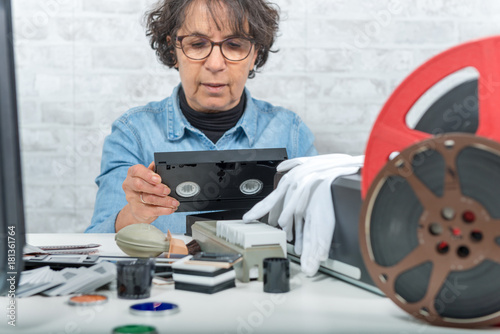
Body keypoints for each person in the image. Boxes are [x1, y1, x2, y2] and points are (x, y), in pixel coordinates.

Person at [86, 0, 317, 234]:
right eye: (197, 44)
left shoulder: (291, 133)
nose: (215, 64)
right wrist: (135, 214)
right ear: (173, 50)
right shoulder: (132, 134)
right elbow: (96, 243)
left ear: (255, 53)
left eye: (235, 44)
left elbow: (318, 234)